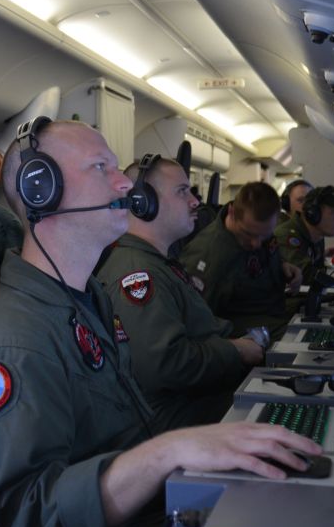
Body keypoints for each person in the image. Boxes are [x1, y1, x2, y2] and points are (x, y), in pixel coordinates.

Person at [0, 119, 321, 527]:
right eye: (100, 167)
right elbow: (33, 521)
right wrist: (169, 452)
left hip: (142, 521)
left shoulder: (86, 300)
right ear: (42, 190)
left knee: (293, 523)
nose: (124, 182)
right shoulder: (9, 337)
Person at [96, 155, 264, 432]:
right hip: (178, 422)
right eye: (182, 191)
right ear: (143, 202)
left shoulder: (157, 263)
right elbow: (165, 365)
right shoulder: (137, 274)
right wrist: (236, 351)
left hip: (196, 406)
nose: (195, 201)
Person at [179, 182, 302, 341]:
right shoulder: (210, 257)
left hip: (273, 311)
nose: (256, 244)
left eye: (264, 236)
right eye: (249, 234)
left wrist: (283, 266)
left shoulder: (255, 226)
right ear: (231, 212)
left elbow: (261, 258)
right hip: (241, 332)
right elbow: (196, 324)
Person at [274, 185, 334, 285]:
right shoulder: (287, 235)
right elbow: (306, 275)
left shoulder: (317, 236)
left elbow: (318, 270)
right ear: (313, 214)